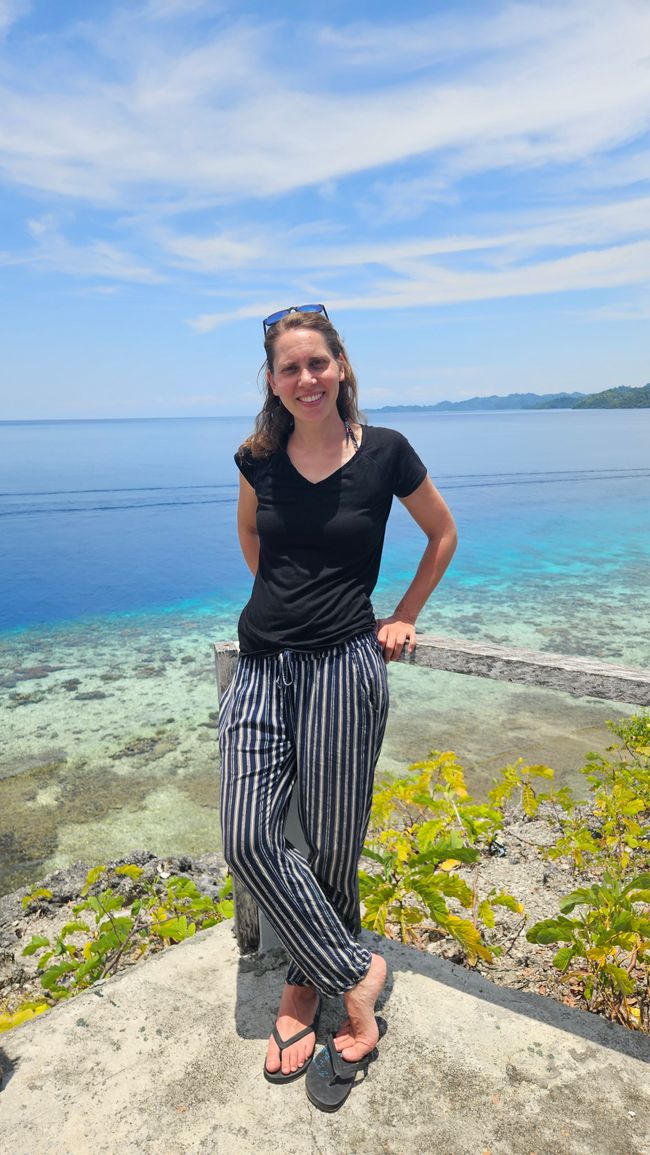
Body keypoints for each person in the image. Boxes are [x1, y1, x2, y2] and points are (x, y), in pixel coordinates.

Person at [218, 304, 457, 1110]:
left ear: (341, 365)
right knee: (248, 834)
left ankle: (300, 989)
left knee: (330, 843)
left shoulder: (387, 452)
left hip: (347, 664)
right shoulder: (257, 457)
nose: (307, 378)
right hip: (260, 664)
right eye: (290, 368)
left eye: (317, 363)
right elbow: (254, 542)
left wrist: (405, 612)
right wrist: (284, 602)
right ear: (274, 381)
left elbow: (442, 535)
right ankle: (355, 974)